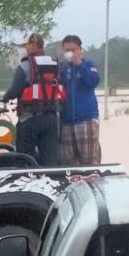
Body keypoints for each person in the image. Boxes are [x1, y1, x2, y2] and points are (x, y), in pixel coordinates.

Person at [3, 32, 65, 167]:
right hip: (51, 119)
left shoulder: (24, 66)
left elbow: (14, 92)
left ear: (32, 45)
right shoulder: (55, 64)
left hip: (29, 120)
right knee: (50, 162)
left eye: (24, 46)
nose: (23, 49)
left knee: (24, 161)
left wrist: (5, 97)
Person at [57, 34, 101, 166]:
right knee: (68, 163)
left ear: (80, 50)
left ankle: (92, 186)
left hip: (86, 120)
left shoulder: (88, 64)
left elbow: (94, 81)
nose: (70, 53)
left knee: (89, 162)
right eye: (67, 50)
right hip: (66, 122)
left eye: (73, 49)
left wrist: (80, 65)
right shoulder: (62, 68)